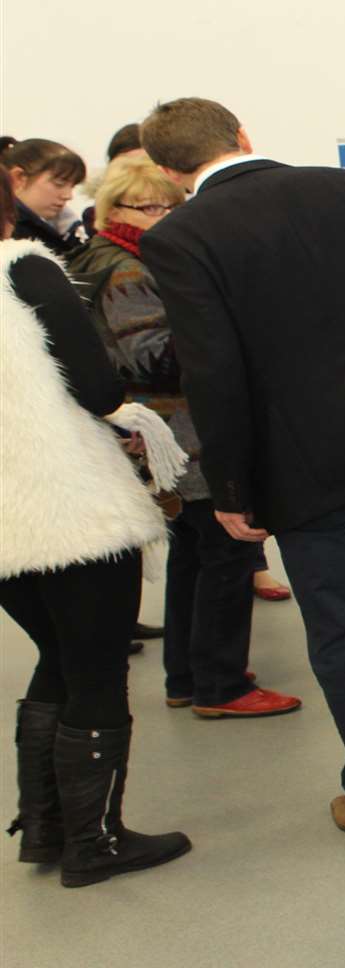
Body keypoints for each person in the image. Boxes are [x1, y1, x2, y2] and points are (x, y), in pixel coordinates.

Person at [136, 97, 345, 842]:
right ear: (242, 134)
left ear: (171, 172)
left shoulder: (182, 235)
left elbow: (214, 370)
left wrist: (232, 487)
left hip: (304, 471)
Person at [0, 166, 192, 887]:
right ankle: (95, 842)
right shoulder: (24, 271)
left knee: (56, 658)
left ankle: (47, 829)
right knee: (95, 669)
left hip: (8, 526)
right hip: (71, 505)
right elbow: (98, 384)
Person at [72, 157, 301, 718]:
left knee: (195, 556)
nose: (166, 216)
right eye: (152, 207)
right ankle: (220, 685)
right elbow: (151, 355)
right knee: (225, 553)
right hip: (181, 431)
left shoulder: (116, 258)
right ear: (117, 210)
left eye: (171, 205)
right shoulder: (126, 270)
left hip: (169, 431)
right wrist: (222, 332)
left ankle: (189, 673)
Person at [2, 137, 88, 261]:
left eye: (72, 186)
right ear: (19, 177)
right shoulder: (10, 234)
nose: (68, 196)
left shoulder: (71, 231)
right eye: (59, 183)